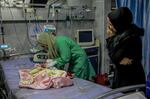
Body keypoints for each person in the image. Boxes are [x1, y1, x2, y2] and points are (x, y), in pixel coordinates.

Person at [106, 7, 146, 88]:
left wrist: (110, 38)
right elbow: (117, 60)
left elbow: (114, 57)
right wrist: (119, 60)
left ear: (118, 24)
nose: (109, 27)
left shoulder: (130, 37)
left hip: (130, 81)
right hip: (123, 77)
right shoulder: (123, 33)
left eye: (110, 24)